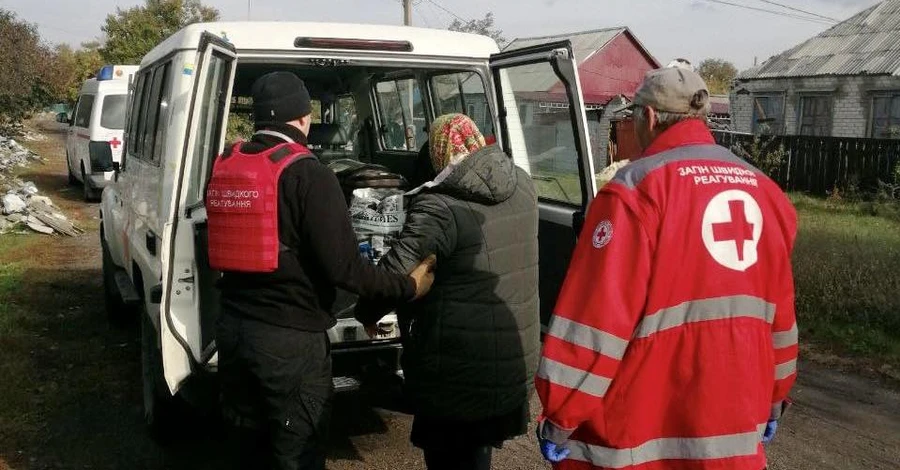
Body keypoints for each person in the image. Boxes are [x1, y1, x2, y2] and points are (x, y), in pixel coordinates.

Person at [534, 67, 798, 470]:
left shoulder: (634, 191)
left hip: (639, 438)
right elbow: (780, 316)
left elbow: (596, 321)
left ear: (650, 118)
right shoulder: (766, 192)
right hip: (735, 437)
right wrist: (777, 397)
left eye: (634, 115)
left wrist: (561, 413)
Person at [205, 71, 435, 470]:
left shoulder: (228, 164)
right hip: (289, 343)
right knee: (299, 450)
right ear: (304, 117)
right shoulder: (309, 173)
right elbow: (345, 268)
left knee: (247, 447)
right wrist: (404, 287)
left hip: (235, 331)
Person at [355, 113, 540, 470]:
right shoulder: (523, 184)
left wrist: (366, 312)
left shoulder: (439, 207)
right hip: (512, 358)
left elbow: (394, 273)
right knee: (477, 451)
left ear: (439, 152)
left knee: (451, 458)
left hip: (455, 371)